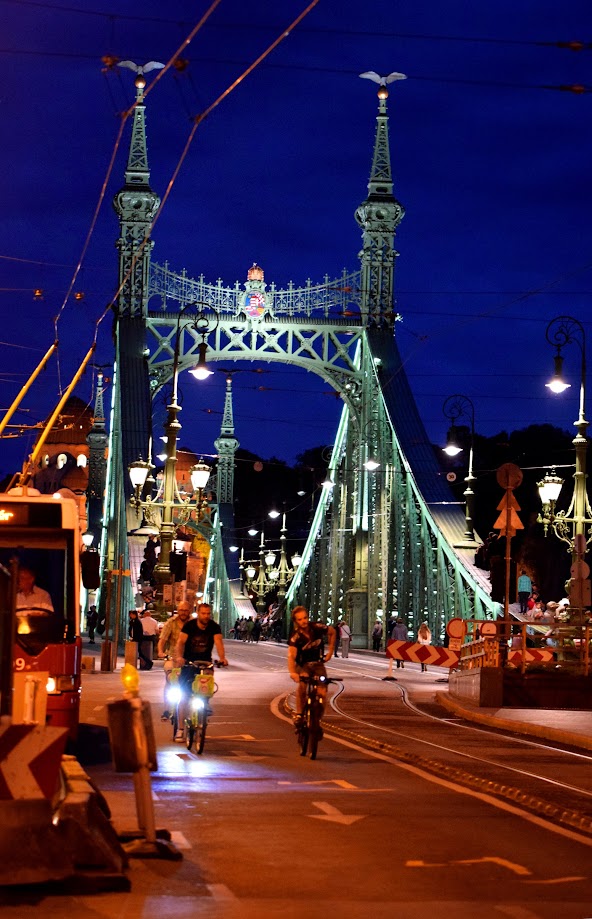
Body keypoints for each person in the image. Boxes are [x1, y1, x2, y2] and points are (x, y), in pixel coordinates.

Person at [175, 602, 228, 742]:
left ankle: (205, 705)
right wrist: (179, 657)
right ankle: (180, 729)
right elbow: (180, 642)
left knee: (207, 685)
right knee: (184, 696)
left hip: (205, 662)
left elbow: (219, 643)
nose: (206, 616)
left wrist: (222, 658)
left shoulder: (214, 627)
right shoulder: (190, 626)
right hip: (189, 663)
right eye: (203, 613)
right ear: (198, 613)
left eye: (208, 613)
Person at [287, 606, 335, 728]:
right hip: (303, 665)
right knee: (302, 685)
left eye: (305, 618)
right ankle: (299, 714)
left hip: (318, 664)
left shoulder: (317, 628)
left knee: (322, 692)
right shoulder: (295, 636)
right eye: (300, 619)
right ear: (295, 621)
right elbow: (291, 655)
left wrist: (330, 652)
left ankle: (317, 721)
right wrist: (293, 672)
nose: (304, 621)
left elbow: (332, 632)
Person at [157, 600, 192, 720]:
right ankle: (167, 709)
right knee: (169, 678)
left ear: (189, 611)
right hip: (172, 657)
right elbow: (162, 640)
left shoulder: (194, 624)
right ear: (178, 610)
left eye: (186, 610)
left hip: (189, 659)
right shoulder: (170, 623)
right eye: (181, 610)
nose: (183, 612)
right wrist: (161, 652)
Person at [139, 606, 159, 670]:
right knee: (150, 651)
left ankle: (144, 664)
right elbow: (157, 631)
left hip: (142, 638)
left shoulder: (141, 621)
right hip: (151, 638)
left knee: (141, 651)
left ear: (145, 615)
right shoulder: (155, 621)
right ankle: (149, 662)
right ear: (150, 615)